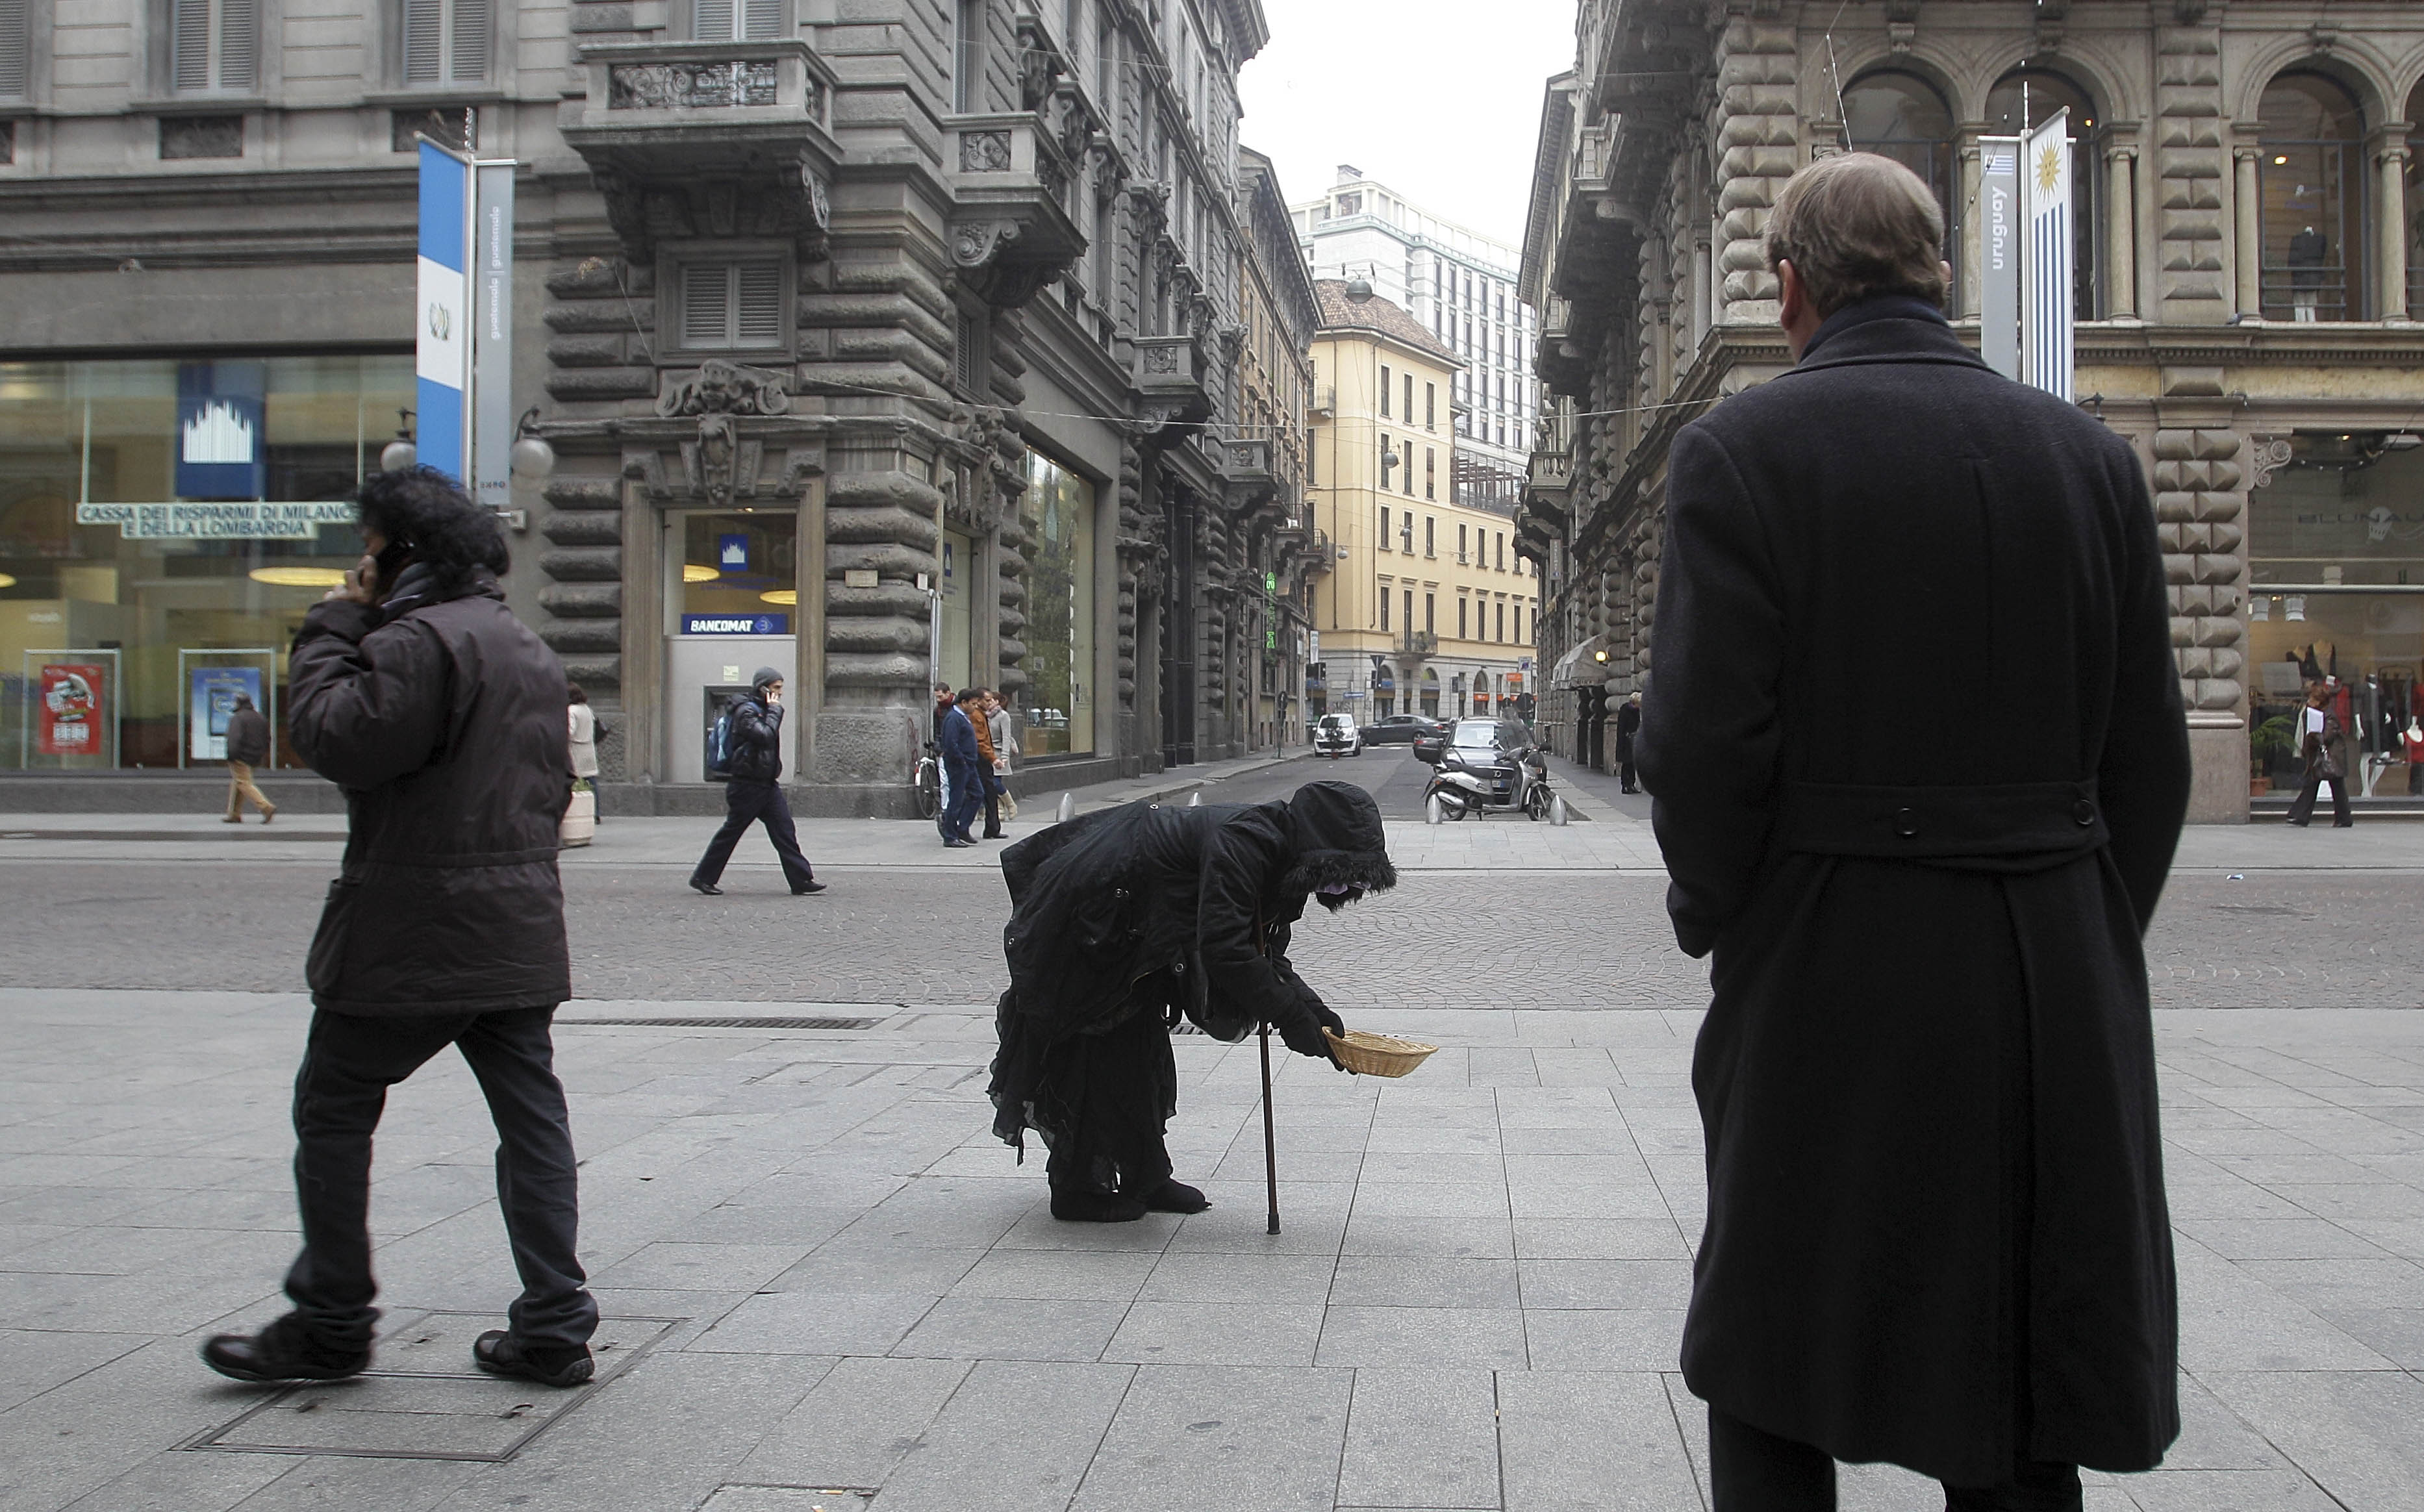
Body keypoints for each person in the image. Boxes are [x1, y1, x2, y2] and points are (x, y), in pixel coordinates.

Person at [1634, 153, 2191, 1510]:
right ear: (1942, 274)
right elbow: (2152, 764)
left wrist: (1733, 921)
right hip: (2049, 967)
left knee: (1775, 1344)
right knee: (2020, 1355)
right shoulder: (2090, 460)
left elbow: (1702, 755)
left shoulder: (1741, 453)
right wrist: (2082, 922)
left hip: (1830, 958)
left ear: (1790, 290)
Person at [200, 466, 600, 1391]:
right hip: (517, 922)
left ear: (402, 553)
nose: (361, 564)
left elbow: (340, 741)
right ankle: (554, 1322)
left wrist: (333, 625)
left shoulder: (418, 643)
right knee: (530, 1117)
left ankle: (332, 1322)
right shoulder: (525, 648)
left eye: (370, 547)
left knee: (333, 1108)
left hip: (415, 924)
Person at [988, 781, 1395, 1221]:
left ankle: (1144, 1174)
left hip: (1139, 922)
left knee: (1138, 1046)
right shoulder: (1246, 844)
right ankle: (1077, 1186)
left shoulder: (1292, 861)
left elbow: (1267, 951)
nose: (1344, 886)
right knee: (1097, 1048)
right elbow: (1226, 949)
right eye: (1344, 871)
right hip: (1094, 912)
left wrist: (1314, 1014)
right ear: (1322, 846)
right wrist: (1290, 1017)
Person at [689, 669, 824, 894]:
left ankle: (800, 879)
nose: (780, 693)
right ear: (763, 688)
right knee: (731, 833)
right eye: (776, 688)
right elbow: (764, 736)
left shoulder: (762, 710)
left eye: (781, 687)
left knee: (784, 831)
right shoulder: (746, 711)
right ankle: (703, 877)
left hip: (767, 784)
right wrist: (774, 711)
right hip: (747, 785)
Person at [2286, 679, 2353, 828]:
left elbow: (2327, 737)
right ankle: (2301, 815)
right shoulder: (2313, 713)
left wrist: (2314, 735)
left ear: (2320, 701)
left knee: (2336, 788)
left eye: (2313, 699)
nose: (2310, 701)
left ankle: (2343, 818)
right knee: (2314, 784)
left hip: (2331, 758)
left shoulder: (2330, 716)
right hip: (2320, 757)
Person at [939, 687, 984, 847]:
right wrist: (961, 760)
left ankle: (963, 828)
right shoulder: (954, 718)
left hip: (969, 764)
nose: (975, 707)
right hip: (960, 765)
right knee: (956, 799)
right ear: (963, 703)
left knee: (978, 794)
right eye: (973, 704)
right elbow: (951, 743)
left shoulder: (963, 717)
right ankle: (950, 835)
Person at [222, 694, 275, 824]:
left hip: (240, 757)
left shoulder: (238, 718)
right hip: (255, 757)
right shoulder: (260, 718)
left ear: (239, 703)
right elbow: (268, 739)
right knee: (239, 782)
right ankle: (234, 814)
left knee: (243, 783)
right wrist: (261, 753)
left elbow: (234, 739)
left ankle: (266, 807)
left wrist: (231, 756)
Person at [966, 685, 1005, 840]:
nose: (990, 703)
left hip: (983, 757)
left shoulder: (981, 714)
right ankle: (990, 827)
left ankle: (992, 828)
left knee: (987, 792)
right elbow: (981, 741)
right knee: (982, 792)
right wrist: (993, 758)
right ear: (978, 700)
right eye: (987, 700)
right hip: (980, 759)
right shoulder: (976, 715)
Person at [987, 690, 1018, 822]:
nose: (988, 703)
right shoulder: (985, 716)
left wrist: (1005, 756)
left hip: (999, 752)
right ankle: (1000, 811)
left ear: (997, 702)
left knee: (995, 782)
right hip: (988, 753)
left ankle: (1011, 805)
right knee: (991, 782)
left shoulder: (1003, 716)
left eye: (991, 701)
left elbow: (1006, 737)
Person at [1613, 691, 1643, 794]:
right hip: (1626, 741)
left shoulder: (1636, 711)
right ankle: (1625, 785)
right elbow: (1621, 728)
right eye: (1639, 704)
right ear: (1635, 702)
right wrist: (1623, 739)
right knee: (1626, 764)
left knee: (1632, 764)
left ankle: (1632, 785)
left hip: (1634, 739)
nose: (1640, 706)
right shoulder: (1625, 710)